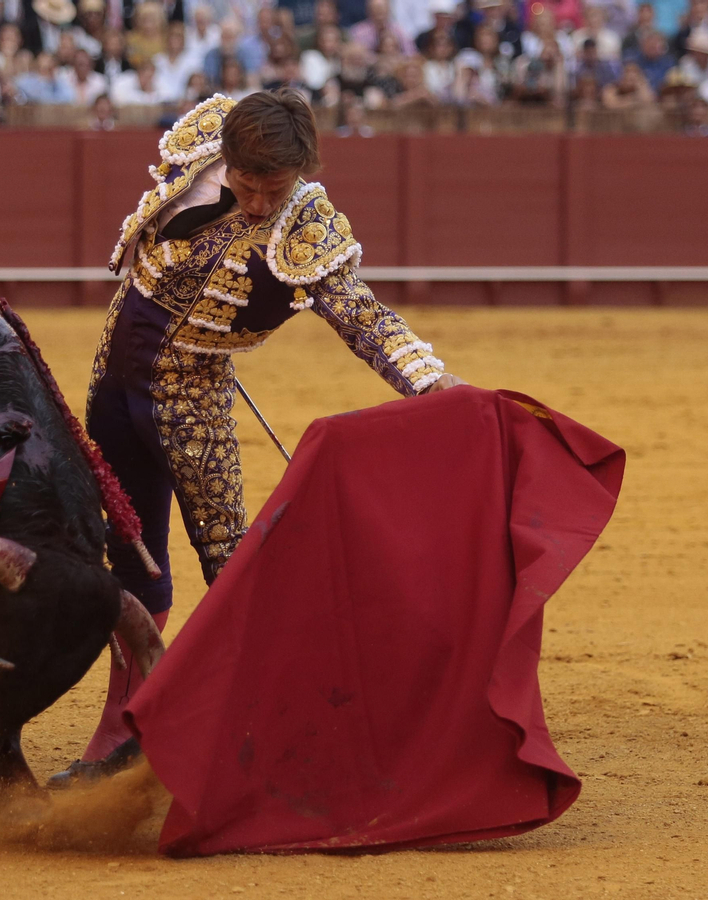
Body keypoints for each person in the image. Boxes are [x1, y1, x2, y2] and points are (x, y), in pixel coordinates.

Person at [51, 89, 462, 787]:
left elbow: (365, 319)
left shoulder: (308, 227)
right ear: (228, 158)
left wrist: (434, 385)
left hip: (191, 401)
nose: (261, 205)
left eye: (277, 189)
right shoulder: (203, 139)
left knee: (230, 570)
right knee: (129, 553)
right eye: (249, 186)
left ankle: (272, 730)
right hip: (113, 382)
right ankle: (122, 726)